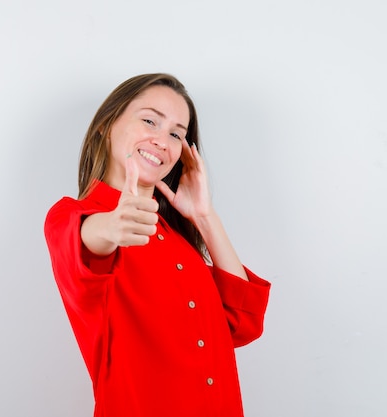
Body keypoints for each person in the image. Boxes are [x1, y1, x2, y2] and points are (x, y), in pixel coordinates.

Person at [44, 73, 271, 417]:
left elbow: (243, 324)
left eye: (176, 134)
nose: (162, 141)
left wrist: (205, 217)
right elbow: (86, 242)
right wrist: (111, 226)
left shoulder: (179, 244)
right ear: (107, 123)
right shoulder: (75, 217)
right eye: (150, 120)